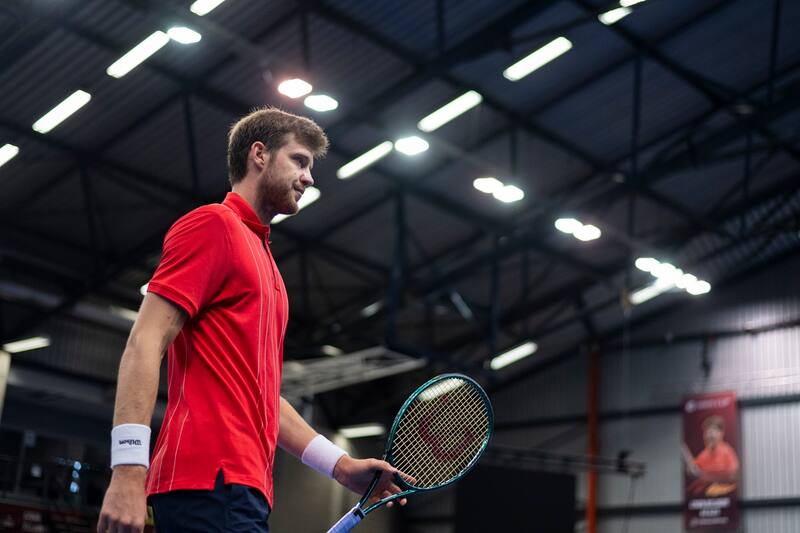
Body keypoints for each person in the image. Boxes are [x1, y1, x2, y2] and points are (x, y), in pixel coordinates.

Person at [97, 108, 405, 532]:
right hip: (209, 480)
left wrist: (339, 465)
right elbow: (145, 342)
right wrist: (128, 468)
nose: (309, 177)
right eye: (299, 160)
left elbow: (263, 393)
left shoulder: (266, 265)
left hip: (242, 487)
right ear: (259, 154)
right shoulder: (212, 225)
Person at [683, 415, 740, 497]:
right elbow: (694, 468)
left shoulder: (727, 452)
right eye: (706, 433)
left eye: (711, 432)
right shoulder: (704, 454)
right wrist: (690, 469)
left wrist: (705, 476)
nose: (708, 436)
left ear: (721, 434)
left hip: (725, 495)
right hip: (705, 496)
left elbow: (733, 476)